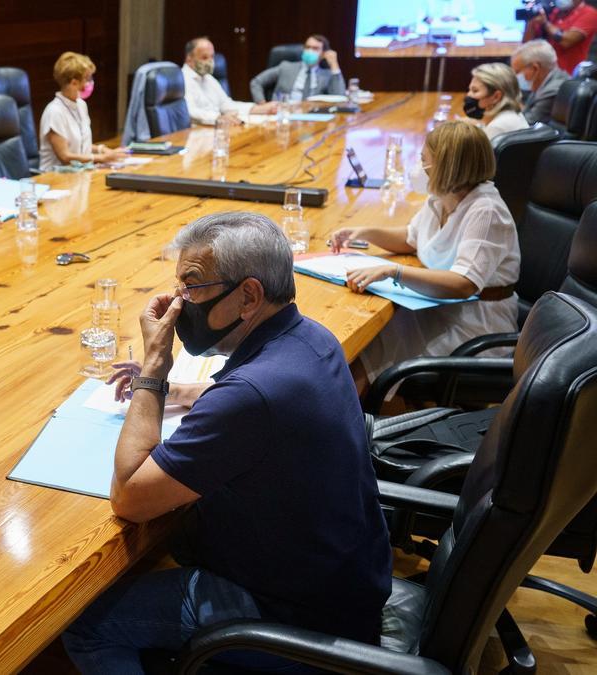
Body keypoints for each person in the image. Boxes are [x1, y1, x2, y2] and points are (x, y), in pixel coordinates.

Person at [63, 212, 392, 674]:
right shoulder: (312, 339)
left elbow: (131, 497)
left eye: (192, 287)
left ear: (248, 296)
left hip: (292, 615)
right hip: (344, 582)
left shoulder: (251, 398)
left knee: (87, 625)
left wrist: (155, 369)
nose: (179, 303)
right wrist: (182, 393)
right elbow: (255, 402)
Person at [330, 121, 520, 384]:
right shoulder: (441, 197)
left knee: (370, 351)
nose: (418, 167)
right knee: (366, 342)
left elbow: (465, 284)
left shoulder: (485, 211)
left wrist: (393, 271)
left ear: (447, 167)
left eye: (423, 160)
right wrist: (363, 232)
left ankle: (354, 419)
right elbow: (412, 238)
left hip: (475, 324)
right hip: (438, 308)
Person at [39, 51, 127, 171]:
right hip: (55, 178)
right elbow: (65, 156)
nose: (91, 82)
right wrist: (102, 158)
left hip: (79, 173)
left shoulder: (81, 105)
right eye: (87, 78)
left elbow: (80, 146)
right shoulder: (54, 112)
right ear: (74, 83)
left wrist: (103, 150)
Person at [181, 37, 277, 126]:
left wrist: (259, 109)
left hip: (215, 129)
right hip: (197, 131)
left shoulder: (208, 78)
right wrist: (218, 118)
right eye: (204, 57)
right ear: (189, 59)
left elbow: (225, 104)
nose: (210, 61)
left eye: (212, 57)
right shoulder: (182, 79)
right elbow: (189, 111)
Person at [249, 34, 346, 103]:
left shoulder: (327, 75)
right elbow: (256, 82)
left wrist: (334, 65)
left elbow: (340, 97)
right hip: (283, 114)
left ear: (324, 53)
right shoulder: (286, 67)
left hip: (312, 118)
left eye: (315, 48)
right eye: (307, 47)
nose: (310, 51)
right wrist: (262, 104)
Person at [522, 0, 597, 76]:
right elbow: (526, 44)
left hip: (568, 75)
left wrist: (545, 23)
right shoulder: (551, 11)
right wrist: (531, 18)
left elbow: (566, 41)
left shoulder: (589, 13)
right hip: (542, 75)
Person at [512, 39, 571, 125]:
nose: (516, 76)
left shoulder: (553, 90)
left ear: (535, 68)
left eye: (518, 71)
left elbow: (527, 124)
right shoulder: (541, 82)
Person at [466, 63, 530, 141]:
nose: (468, 94)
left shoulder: (496, 128)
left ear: (496, 96)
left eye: (475, 90)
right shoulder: (515, 115)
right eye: (469, 90)